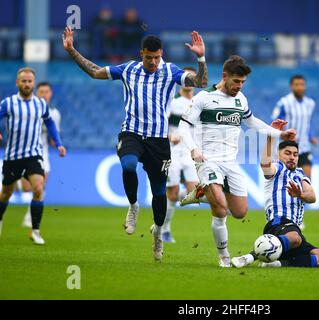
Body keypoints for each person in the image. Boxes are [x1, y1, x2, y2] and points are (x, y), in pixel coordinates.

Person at [62, 27, 208, 261]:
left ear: (161, 54)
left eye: (157, 57)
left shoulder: (170, 71)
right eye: (149, 57)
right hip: (132, 132)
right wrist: (71, 50)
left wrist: (200, 58)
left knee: (160, 193)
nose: (153, 62)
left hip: (159, 141)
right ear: (142, 54)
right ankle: (133, 206)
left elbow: (201, 82)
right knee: (128, 166)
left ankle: (158, 232)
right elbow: (95, 72)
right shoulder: (129, 69)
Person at [178, 55, 296, 267]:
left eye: (243, 82)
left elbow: (253, 123)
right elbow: (184, 126)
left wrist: (280, 134)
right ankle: (223, 255)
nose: (239, 86)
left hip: (230, 163)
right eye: (236, 81)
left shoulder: (241, 100)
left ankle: (203, 194)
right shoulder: (204, 97)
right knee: (221, 208)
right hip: (208, 160)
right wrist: (194, 149)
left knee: (240, 212)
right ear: (225, 76)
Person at [231, 120, 319, 268]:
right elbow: (265, 165)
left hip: (293, 229)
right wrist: (272, 134)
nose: (292, 157)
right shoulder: (278, 168)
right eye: (288, 153)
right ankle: (249, 257)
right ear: (278, 156)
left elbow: (312, 196)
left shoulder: (300, 174)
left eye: (295, 154)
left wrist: (300, 195)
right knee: (295, 238)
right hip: (278, 224)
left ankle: (278, 263)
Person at [0, 68, 66, 244]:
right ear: (17, 83)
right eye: (24, 81)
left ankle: (35, 230)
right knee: (6, 193)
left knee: (38, 188)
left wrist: (58, 143)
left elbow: (50, 123)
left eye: (30, 81)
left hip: (33, 154)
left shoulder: (40, 104)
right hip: (13, 156)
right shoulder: (8, 103)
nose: (27, 84)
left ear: (33, 83)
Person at [162, 67, 199, 243]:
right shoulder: (173, 102)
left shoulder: (199, 102)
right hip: (173, 152)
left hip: (190, 151)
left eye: (193, 78)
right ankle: (165, 229)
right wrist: (170, 135)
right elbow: (161, 123)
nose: (190, 82)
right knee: (173, 194)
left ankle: (172, 196)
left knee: (194, 192)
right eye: (187, 78)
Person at [21, 82, 62, 228]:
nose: (44, 94)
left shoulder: (55, 114)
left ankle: (29, 217)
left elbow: (53, 135)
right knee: (26, 187)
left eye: (47, 92)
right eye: (41, 91)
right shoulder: (29, 109)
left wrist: (57, 144)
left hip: (42, 152)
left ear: (50, 94)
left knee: (40, 186)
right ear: (37, 93)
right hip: (24, 150)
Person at [272, 75, 318, 178]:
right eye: (297, 85)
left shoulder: (310, 103)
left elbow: (307, 123)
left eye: (302, 84)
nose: (300, 87)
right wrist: (283, 134)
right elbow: (276, 123)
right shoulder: (284, 103)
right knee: (286, 180)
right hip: (287, 148)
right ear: (291, 86)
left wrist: (311, 137)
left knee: (306, 181)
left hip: (304, 147)